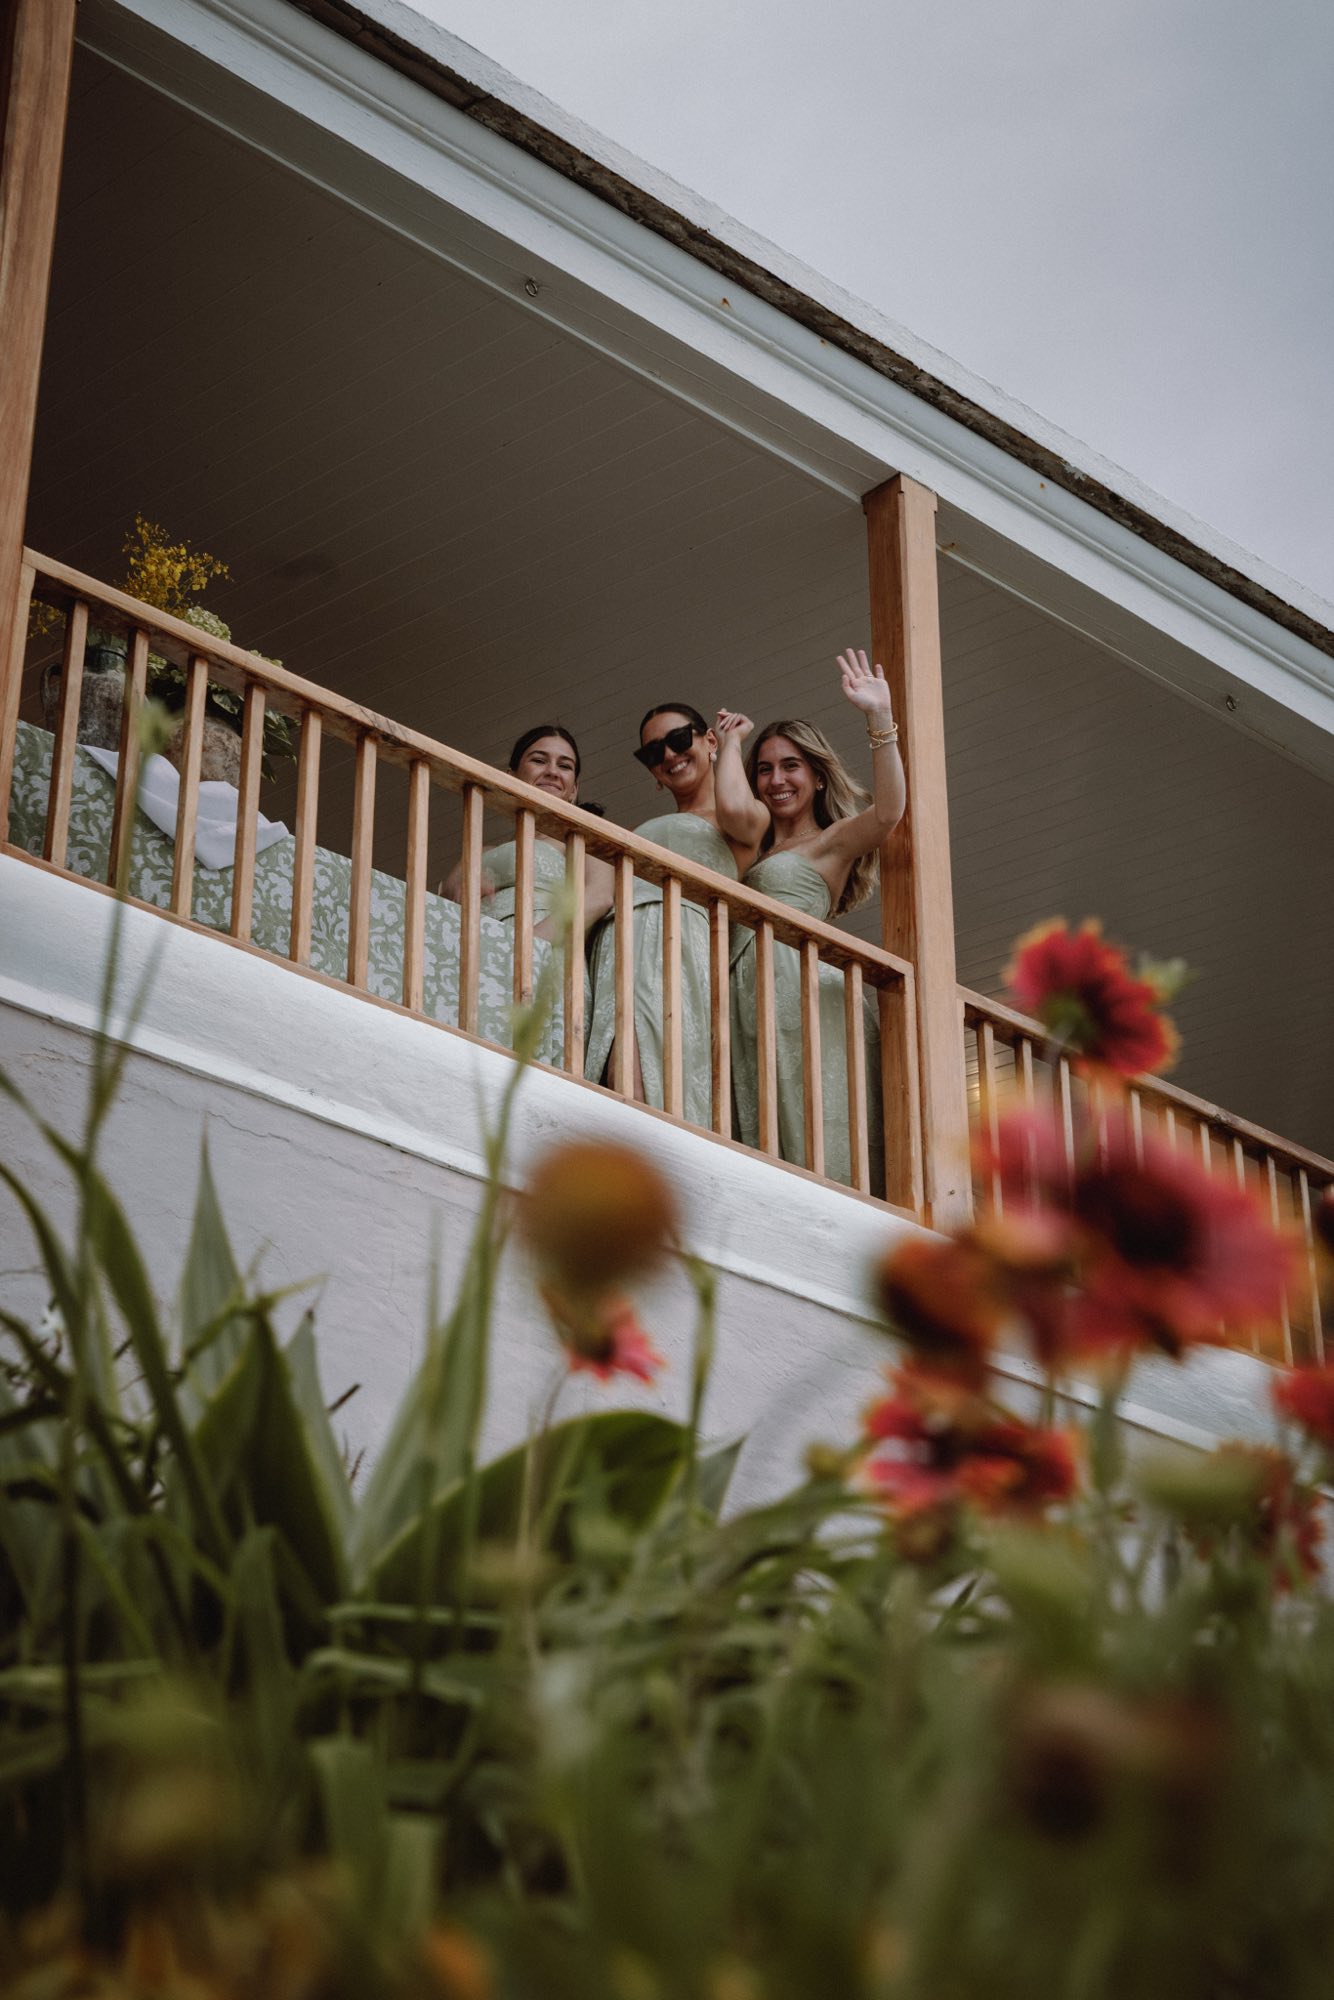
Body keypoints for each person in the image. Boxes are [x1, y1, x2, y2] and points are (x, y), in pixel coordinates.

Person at [731, 648, 906, 1189]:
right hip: (743, 986)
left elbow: (887, 813)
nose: (776, 779)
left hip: (798, 985)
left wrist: (880, 720)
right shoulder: (741, 849)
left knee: (806, 1108)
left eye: (791, 766)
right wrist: (726, 748)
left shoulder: (829, 842)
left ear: (818, 776)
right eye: (764, 769)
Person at [584, 702, 768, 1125]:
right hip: (620, 938)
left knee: (649, 1066)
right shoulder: (652, 824)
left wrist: (733, 743)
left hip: (676, 936)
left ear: (706, 740)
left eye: (679, 740)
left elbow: (738, 812)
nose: (668, 755)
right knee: (615, 1062)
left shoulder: (739, 817)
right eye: (653, 753)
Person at [443, 725, 613, 1049]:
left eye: (564, 766)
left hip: (545, 956)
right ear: (512, 775)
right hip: (480, 958)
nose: (552, 771)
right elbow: (449, 893)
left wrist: (528, 945)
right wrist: (462, 883)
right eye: (539, 760)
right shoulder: (485, 850)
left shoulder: (583, 840)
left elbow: (599, 897)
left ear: (574, 788)